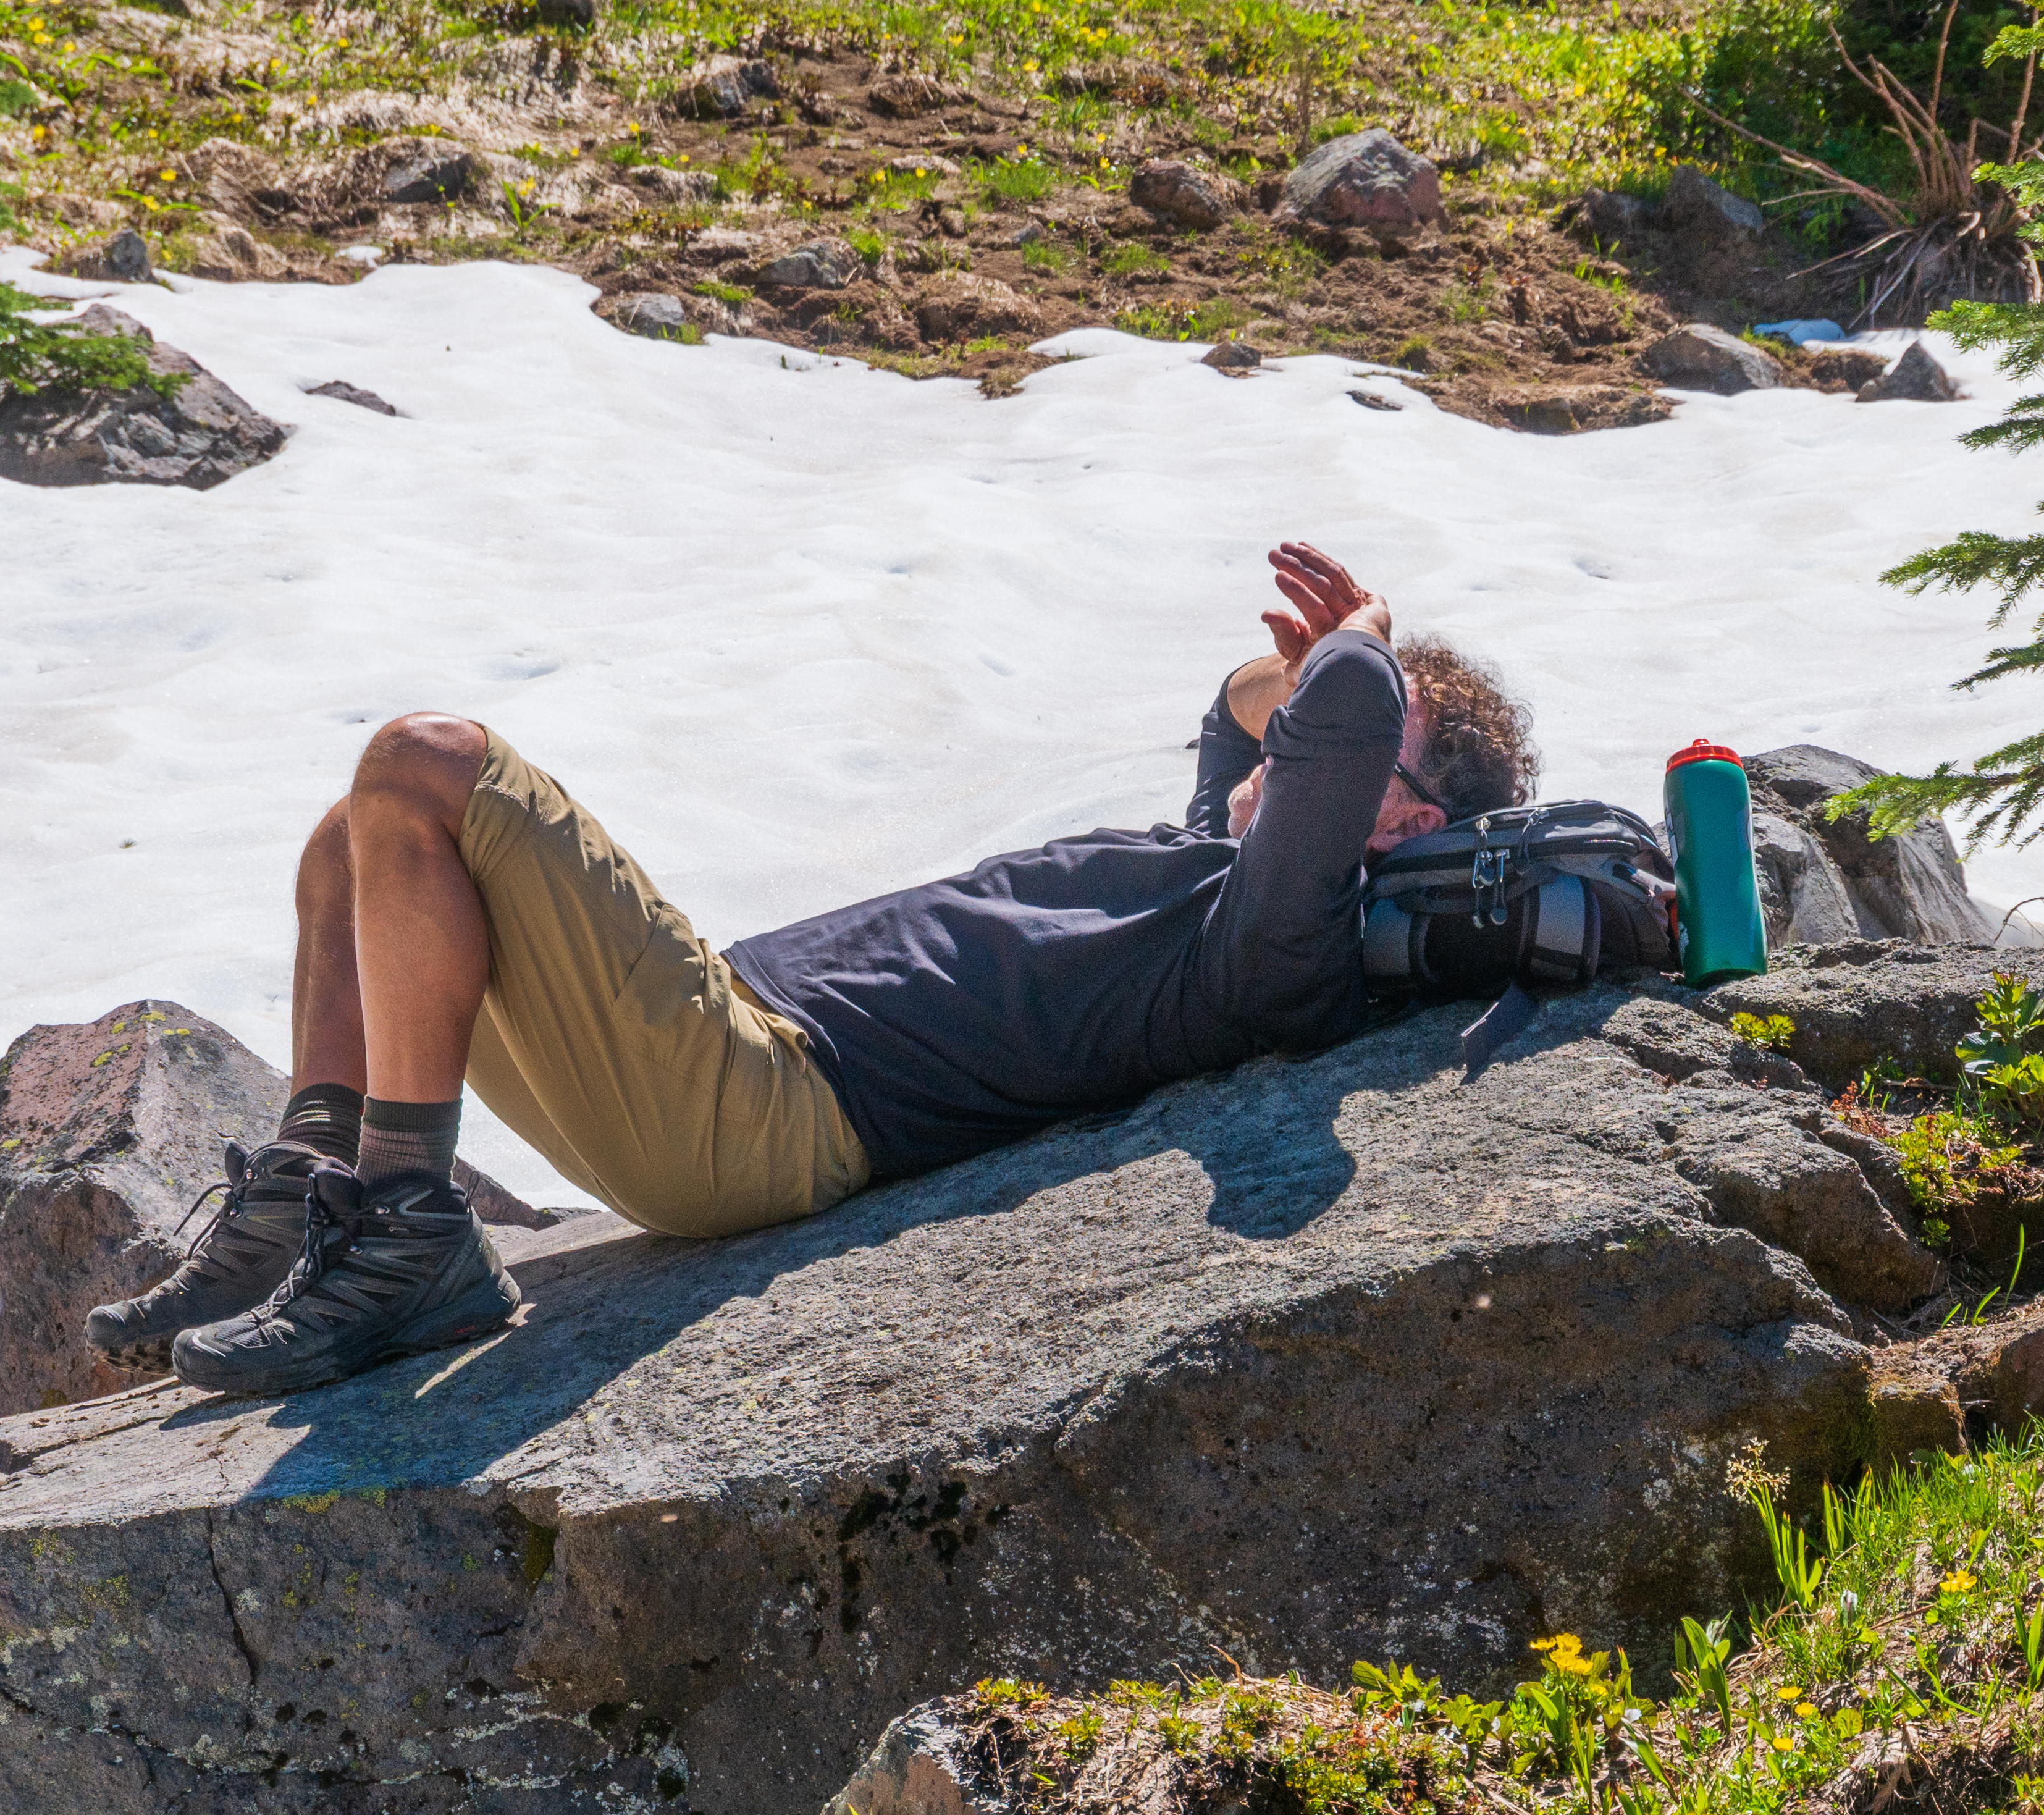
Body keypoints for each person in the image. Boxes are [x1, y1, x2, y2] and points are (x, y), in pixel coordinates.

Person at [86, 543, 1539, 1396]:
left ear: (1392, 818)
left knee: (426, 757)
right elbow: (1251, 713)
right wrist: (1327, 674)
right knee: (359, 835)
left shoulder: (1277, 953)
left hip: (762, 1109)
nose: (1285, 750)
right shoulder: (1216, 879)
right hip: (721, 1076)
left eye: (1349, 761)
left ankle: (408, 1237)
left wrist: (1372, 649)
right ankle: (318, 1193)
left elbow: (1334, 719)